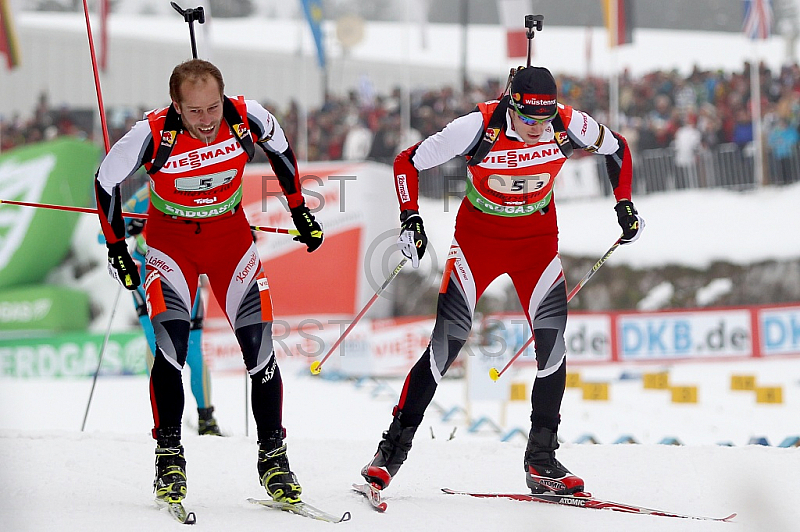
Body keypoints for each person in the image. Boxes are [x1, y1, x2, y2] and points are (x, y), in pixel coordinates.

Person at [361, 66, 644, 497]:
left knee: (553, 345)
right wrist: (410, 218)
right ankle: (390, 452)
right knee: (447, 343)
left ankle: (542, 461)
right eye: (529, 119)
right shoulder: (479, 126)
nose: (537, 130)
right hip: (479, 243)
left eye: (544, 120)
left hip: (536, 245)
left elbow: (617, 147)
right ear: (513, 105)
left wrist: (624, 203)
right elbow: (407, 161)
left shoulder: (566, 122)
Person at [95, 59, 323, 506]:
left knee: (260, 351)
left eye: (212, 107)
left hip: (230, 244)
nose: (206, 120)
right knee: (170, 350)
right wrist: (117, 247)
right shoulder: (152, 133)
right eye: (194, 111)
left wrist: (299, 209)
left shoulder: (246, 115)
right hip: (170, 246)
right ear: (176, 105)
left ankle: (273, 457)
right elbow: (105, 180)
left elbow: (282, 151)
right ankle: (169, 457)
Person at [121, 184, 223, 436]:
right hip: (147, 274)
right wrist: (127, 228)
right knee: (158, 348)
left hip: (184, 272)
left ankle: (206, 419)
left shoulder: (190, 186)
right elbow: (103, 234)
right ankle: (165, 420)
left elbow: (214, 221)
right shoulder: (142, 196)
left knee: (193, 350)